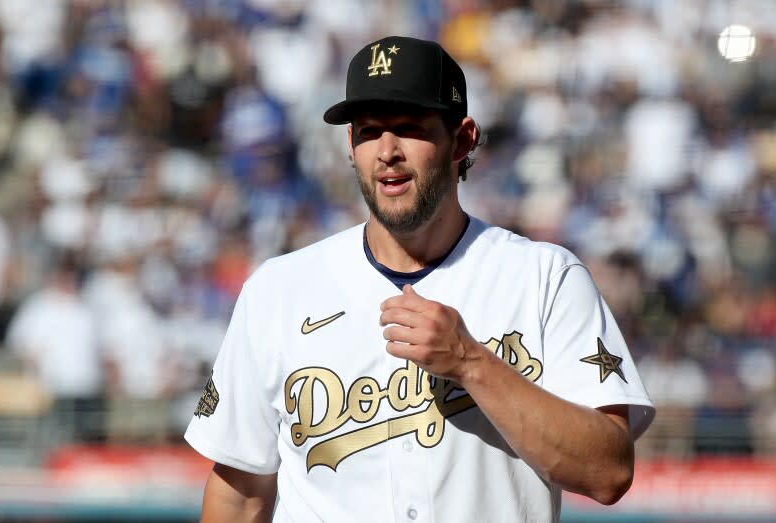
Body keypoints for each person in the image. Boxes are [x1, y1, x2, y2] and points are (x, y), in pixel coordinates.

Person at [184, 35, 655, 522]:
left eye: (410, 127)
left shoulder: (543, 278)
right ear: (350, 145)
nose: (387, 151)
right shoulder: (278, 289)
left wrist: (471, 362)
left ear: (463, 139)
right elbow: (239, 495)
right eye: (369, 131)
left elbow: (608, 471)